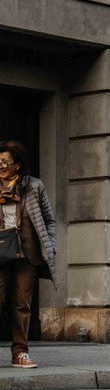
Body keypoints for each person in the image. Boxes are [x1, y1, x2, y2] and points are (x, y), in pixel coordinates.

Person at [0, 141, 56, 369]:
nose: (1, 166)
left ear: (18, 165)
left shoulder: (34, 186)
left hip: (27, 253)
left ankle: (20, 353)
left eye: (5, 162)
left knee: (22, 305)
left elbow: (49, 219)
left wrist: (50, 245)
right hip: (0, 252)